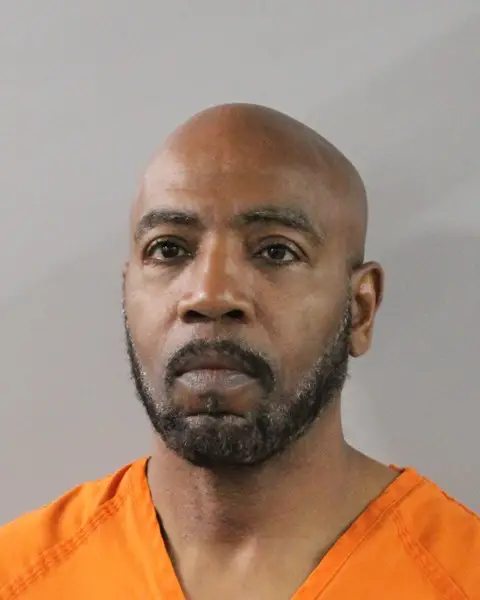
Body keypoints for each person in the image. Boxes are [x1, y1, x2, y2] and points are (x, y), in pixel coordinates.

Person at [0, 103, 478, 600]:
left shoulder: (462, 576)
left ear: (360, 311)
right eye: (169, 249)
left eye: (276, 251)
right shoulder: (18, 577)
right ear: (127, 294)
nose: (209, 295)